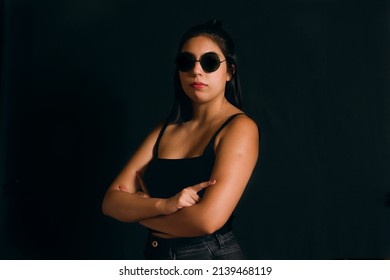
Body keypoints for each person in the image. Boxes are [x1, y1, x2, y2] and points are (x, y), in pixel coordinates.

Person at [102, 19, 259, 260]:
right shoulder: (164, 130)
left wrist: (139, 214)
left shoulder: (239, 128)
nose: (196, 71)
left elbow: (207, 220)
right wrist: (164, 205)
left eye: (209, 62)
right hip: (156, 255)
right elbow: (111, 202)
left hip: (207, 257)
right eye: (187, 62)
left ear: (229, 72)